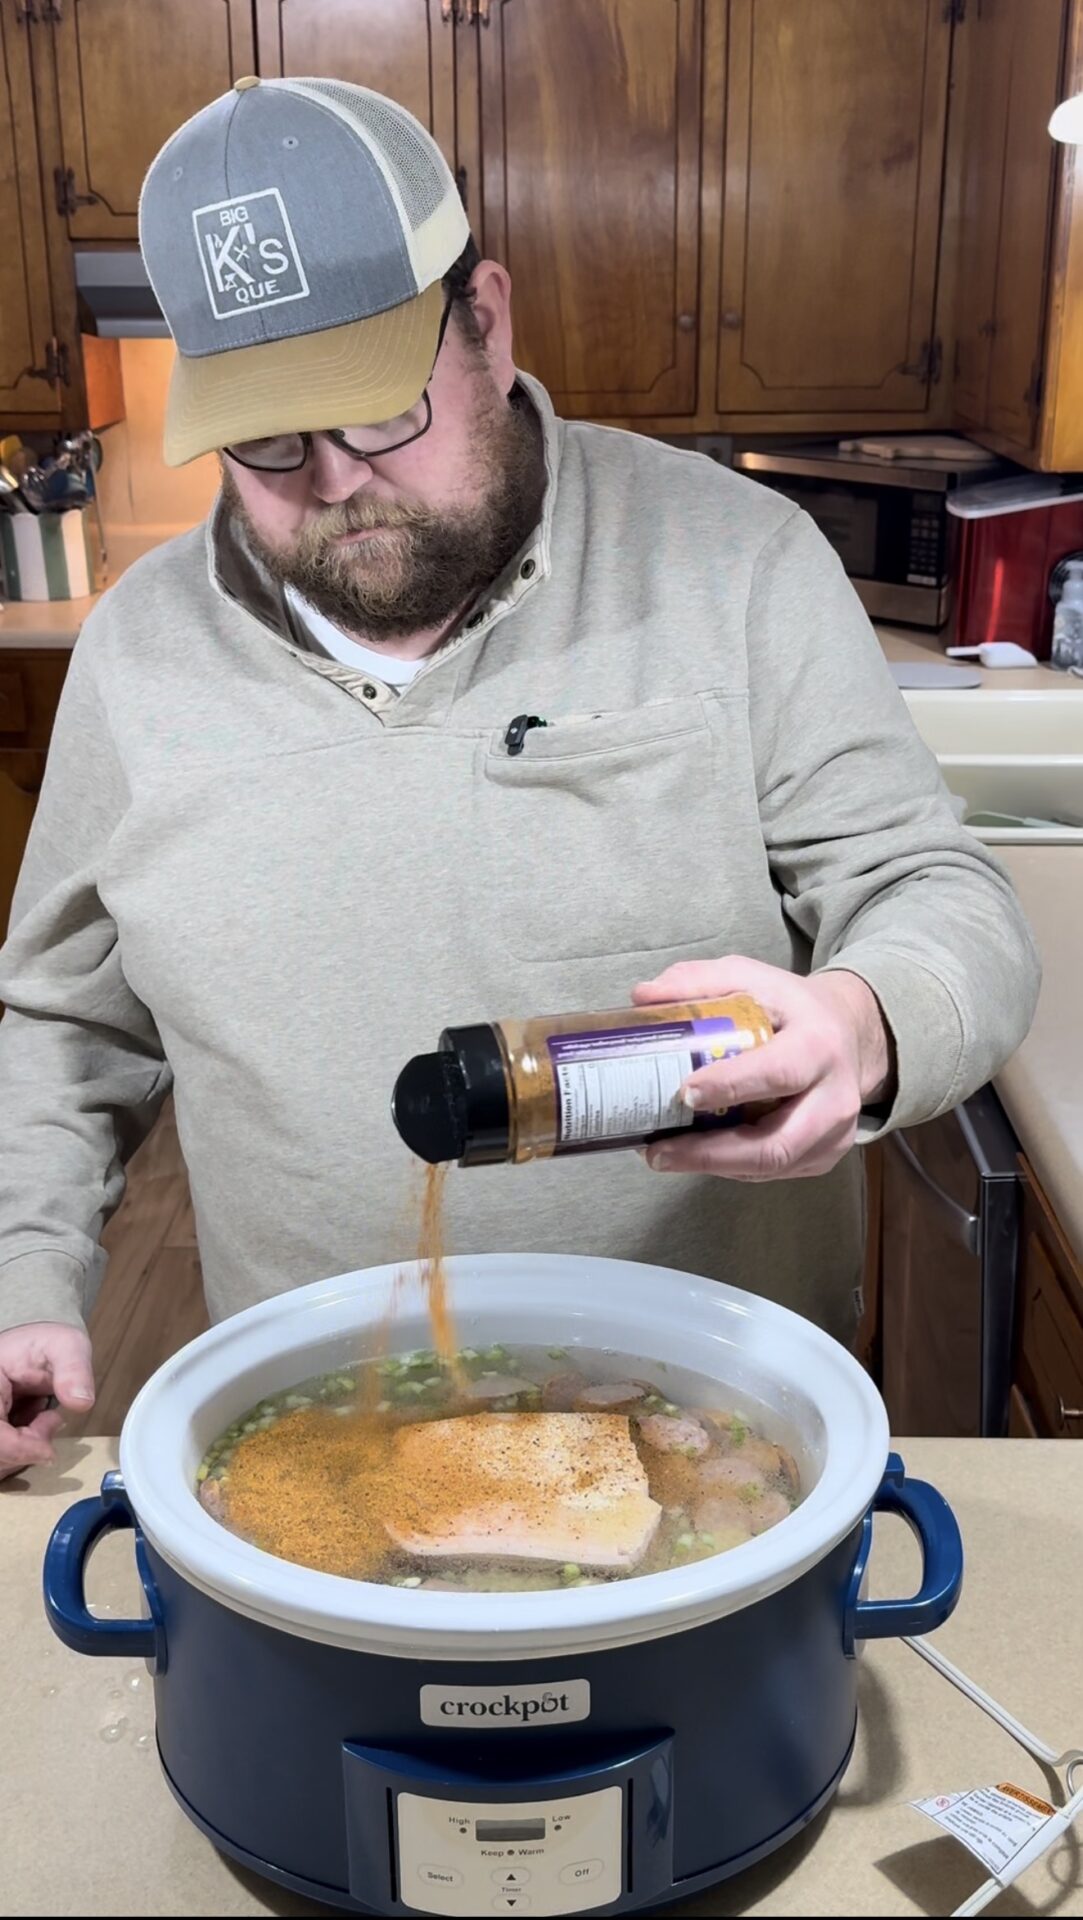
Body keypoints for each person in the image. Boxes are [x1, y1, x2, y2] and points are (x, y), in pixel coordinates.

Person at [0, 78, 1039, 1478]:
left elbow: (937, 892)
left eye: (378, 410)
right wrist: (22, 1269)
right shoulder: (137, 651)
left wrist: (868, 1022)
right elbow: (64, 1021)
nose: (332, 481)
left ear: (486, 320)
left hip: (720, 1426)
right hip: (320, 1438)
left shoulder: (737, 561)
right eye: (267, 439)